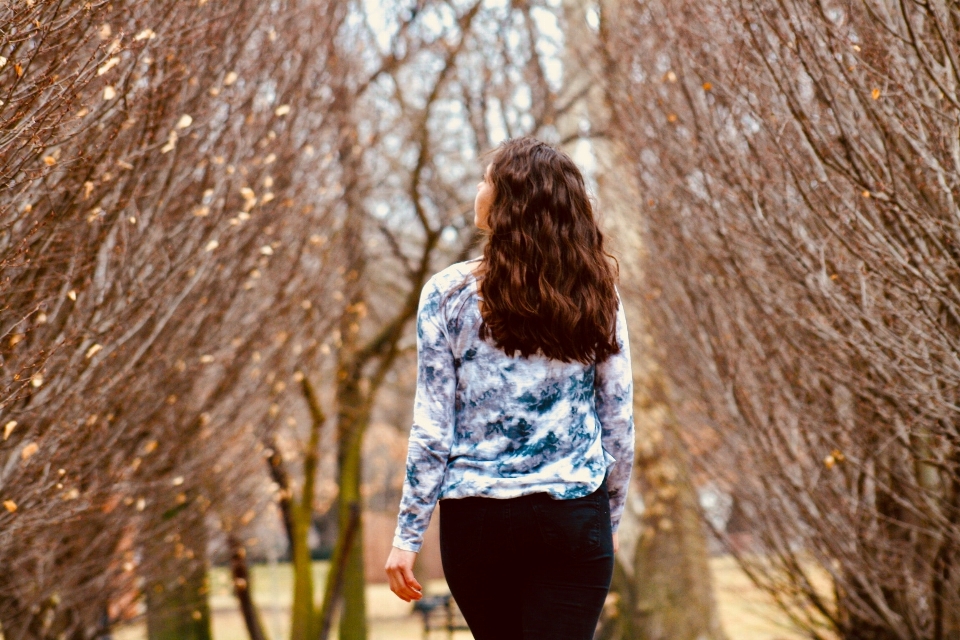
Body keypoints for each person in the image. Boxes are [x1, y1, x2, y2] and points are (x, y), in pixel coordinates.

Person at [385, 137, 634, 640]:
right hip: (572, 513)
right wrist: (607, 517)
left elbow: (433, 428)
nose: (478, 190)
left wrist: (407, 537)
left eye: (486, 181)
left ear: (507, 202)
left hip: (478, 524)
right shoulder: (596, 294)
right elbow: (618, 423)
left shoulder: (447, 294)